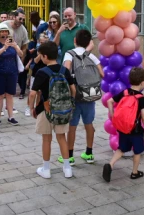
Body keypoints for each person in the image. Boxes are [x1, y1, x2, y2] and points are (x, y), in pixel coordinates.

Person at [29, 41, 75, 179]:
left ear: (44, 56)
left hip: (46, 109)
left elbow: (32, 93)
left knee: (46, 139)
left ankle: (46, 169)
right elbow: (73, 89)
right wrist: (69, 103)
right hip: (62, 110)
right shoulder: (64, 70)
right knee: (62, 138)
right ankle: (67, 169)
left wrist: (31, 107)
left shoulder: (41, 72)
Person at [58, 30, 104, 165]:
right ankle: (89, 154)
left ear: (74, 41)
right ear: (89, 42)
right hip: (89, 94)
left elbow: (66, 70)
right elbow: (101, 73)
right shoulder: (92, 56)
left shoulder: (69, 54)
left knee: (72, 126)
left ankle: (70, 156)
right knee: (89, 124)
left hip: (75, 94)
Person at [103, 67, 144, 182]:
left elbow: (110, 101)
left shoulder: (124, 92)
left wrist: (113, 115)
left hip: (123, 129)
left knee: (121, 149)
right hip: (136, 131)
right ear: (143, 82)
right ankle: (134, 172)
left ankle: (111, 164)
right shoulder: (141, 98)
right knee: (137, 151)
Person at [0, 25, 23, 127]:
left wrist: (15, 46)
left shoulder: (12, 42)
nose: (4, 34)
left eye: (6, 31)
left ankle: (11, 117)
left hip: (11, 73)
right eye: (2, 32)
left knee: (9, 95)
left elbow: (21, 54)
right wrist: (4, 47)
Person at [25, 33, 48, 117]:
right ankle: (28, 106)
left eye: (44, 43)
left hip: (44, 74)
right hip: (36, 73)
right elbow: (35, 61)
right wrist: (41, 53)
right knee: (33, 91)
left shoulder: (48, 52)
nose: (42, 44)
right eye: (41, 42)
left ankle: (37, 108)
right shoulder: (36, 51)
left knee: (40, 92)